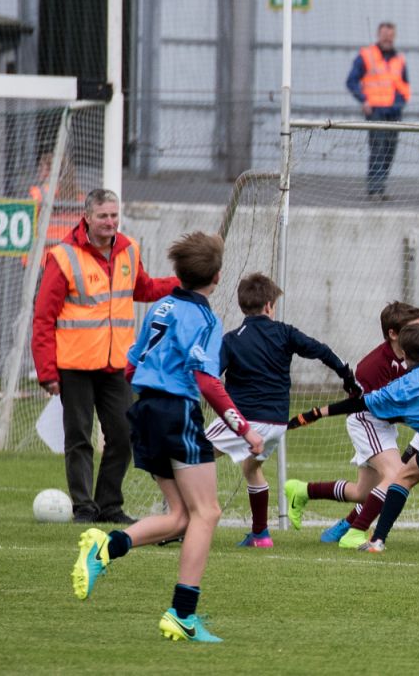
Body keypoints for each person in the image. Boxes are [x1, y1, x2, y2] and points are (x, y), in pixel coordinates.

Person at [70, 231, 264, 644]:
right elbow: (207, 381)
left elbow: (131, 364)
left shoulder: (161, 306)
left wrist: (147, 400)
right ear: (217, 277)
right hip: (176, 411)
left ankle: (108, 546)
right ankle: (182, 614)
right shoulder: (206, 320)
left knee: (181, 515)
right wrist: (243, 428)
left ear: (178, 273)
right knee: (207, 513)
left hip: (144, 408)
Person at [32, 188, 178, 525]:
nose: (110, 222)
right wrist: (47, 371)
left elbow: (143, 288)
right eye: (103, 216)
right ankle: (84, 507)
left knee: (125, 434)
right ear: (87, 217)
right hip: (75, 365)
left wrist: (180, 283)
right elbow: (43, 318)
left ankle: (109, 504)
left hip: (116, 365)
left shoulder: (128, 250)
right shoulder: (63, 256)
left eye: (114, 215)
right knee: (79, 437)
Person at [287, 323, 419, 553]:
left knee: (400, 479)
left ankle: (375, 538)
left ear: (405, 355)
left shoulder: (403, 385)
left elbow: (360, 403)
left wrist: (316, 413)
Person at [205, 273, 361, 548]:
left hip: (245, 420)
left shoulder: (231, 340)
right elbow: (322, 350)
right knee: (252, 469)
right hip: (277, 424)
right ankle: (260, 534)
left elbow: (210, 378)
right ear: (269, 306)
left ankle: (184, 523)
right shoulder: (285, 333)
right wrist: (347, 376)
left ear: (244, 307)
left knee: (189, 456)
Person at [284, 301, 419, 549]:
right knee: (395, 476)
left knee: (362, 493)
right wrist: (318, 413)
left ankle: (303, 491)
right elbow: (367, 406)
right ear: (392, 334)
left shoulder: (416, 356)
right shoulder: (372, 367)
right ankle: (356, 532)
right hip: (366, 421)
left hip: (383, 426)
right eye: (412, 330)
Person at [346, 21, 409, 199]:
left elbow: (404, 85)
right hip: (375, 111)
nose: (388, 38)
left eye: (390, 35)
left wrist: (400, 102)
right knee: (378, 149)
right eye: (385, 35)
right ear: (378, 35)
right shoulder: (367, 55)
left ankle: (381, 186)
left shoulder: (399, 59)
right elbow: (351, 81)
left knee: (390, 150)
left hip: (394, 111)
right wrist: (363, 100)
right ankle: (374, 188)